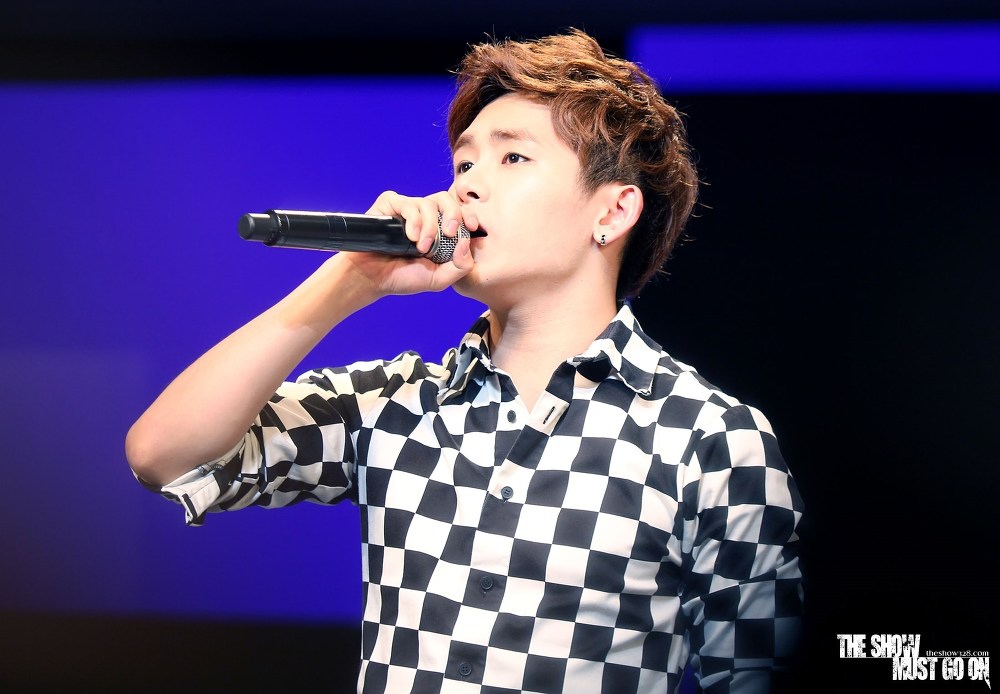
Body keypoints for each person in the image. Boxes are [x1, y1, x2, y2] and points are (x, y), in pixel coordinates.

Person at [127, 29, 803, 693]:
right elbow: (163, 454)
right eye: (464, 165)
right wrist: (351, 280)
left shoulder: (710, 439)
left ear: (614, 210)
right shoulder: (393, 404)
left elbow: (753, 672)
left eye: (513, 158)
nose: (469, 186)